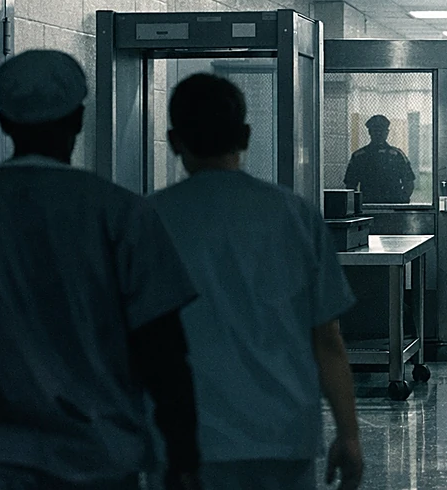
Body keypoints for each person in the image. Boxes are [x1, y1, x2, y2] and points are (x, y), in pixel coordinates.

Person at [0, 50, 203, 490]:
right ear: (78, 120)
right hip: (97, 455)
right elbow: (162, 350)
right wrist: (182, 454)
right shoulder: (121, 214)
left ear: (4, 122)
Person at [150, 73, 363, 490]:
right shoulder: (295, 215)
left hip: (186, 437)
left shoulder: (149, 220)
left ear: (174, 141)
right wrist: (349, 433)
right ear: (245, 136)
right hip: (282, 434)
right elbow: (327, 339)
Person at [343, 114, 416, 203]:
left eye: (381, 131)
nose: (378, 134)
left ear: (387, 132)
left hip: (392, 204)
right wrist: (357, 203)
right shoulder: (359, 156)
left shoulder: (397, 156)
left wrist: (401, 201)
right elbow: (350, 184)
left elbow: (409, 182)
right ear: (369, 132)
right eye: (375, 131)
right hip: (368, 204)